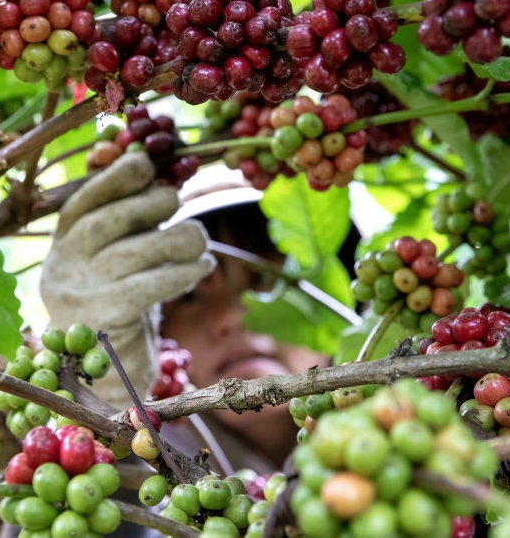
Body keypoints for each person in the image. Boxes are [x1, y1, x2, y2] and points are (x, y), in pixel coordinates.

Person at [40, 152, 352, 474]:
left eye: (263, 280)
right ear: (158, 332)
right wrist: (104, 401)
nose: (231, 319)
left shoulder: (402, 407)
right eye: (189, 297)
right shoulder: (157, 460)